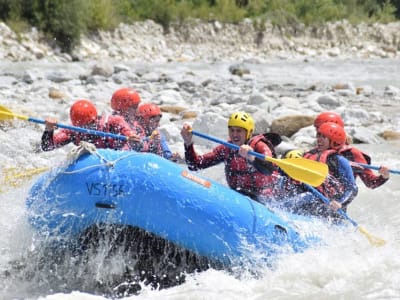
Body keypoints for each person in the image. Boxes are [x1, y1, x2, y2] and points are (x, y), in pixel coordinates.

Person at [180, 111, 280, 202]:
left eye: (239, 131)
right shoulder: (226, 149)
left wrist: (252, 158)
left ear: (248, 132)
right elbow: (195, 165)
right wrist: (188, 143)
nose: (234, 134)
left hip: (263, 200)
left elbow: (268, 169)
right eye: (232, 130)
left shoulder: (259, 146)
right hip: (237, 196)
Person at [294, 122, 358, 221]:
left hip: (330, 207)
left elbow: (352, 188)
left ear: (334, 141)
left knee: (308, 197)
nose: (319, 139)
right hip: (310, 199)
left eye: (323, 137)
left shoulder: (340, 161)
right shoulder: (309, 155)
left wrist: (340, 202)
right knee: (305, 197)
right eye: (318, 135)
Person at [314, 111, 390, 189]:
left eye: (322, 133)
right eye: (318, 132)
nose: (318, 136)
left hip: (340, 196)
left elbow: (370, 183)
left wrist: (384, 176)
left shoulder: (352, 153)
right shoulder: (317, 151)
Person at [41, 99, 143, 151]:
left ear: (95, 119)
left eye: (88, 124)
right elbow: (48, 147)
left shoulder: (113, 122)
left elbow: (129, 133)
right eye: (81, 126)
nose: (85, 129)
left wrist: (132, 137)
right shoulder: (73, 131)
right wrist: (49, 130)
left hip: (116, 159)